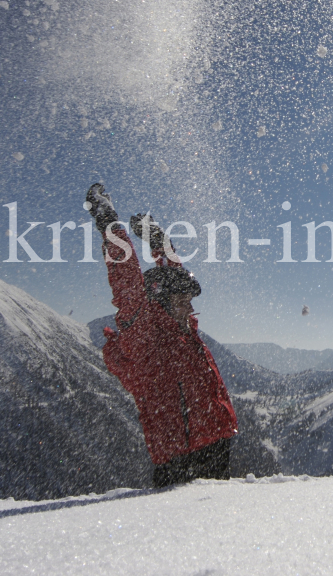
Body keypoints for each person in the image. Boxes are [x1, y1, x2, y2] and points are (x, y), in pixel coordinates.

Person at [85, 183, 238, 486]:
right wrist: (110, 227)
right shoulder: (145, 341)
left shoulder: (180, 326)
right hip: (183, 460)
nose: (191, 307)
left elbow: (172, 276)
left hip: (214, 445)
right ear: (163, 302)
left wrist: (161, 241)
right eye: (183, 300)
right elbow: (127, 285)